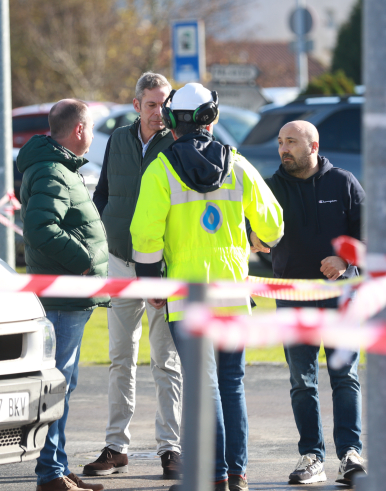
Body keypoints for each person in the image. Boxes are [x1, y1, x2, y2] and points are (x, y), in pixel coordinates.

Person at [130, 83, 285, 491]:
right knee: (231, 384)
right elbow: (274, 224)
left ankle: (214, 476)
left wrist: (151, 284)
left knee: (207, 385)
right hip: (233, 294)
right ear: (211, 119)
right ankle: (237, 474)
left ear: (172, 122)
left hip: (187, 299)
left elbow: (144, 236)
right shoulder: (238, 164)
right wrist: (256, 236)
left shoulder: (160, 169)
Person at [249, 120, 366, 487]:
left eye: (292, 142)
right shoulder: (270, 187)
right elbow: (255, 235)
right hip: (292, 297)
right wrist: (253, 236)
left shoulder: (343, 182)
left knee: (344, 376)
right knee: (302, 380)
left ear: (313, 146)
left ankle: (350, 455)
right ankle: (312, 457)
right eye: (281, 142)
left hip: (340, 296)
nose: (284, 149)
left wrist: (346, 261)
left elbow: (371, 235)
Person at [84, 73, 183, 479]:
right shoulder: (119, 140)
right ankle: (116, 446)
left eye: (165, 104)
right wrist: (104, 238)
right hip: (121, 264)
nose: (159, 113)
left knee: (166, 360)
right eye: (152, 105)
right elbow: (103, 193)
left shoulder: (178, 143)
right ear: (137, 104)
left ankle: (171, 449)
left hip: (162, 268)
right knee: (120, 357)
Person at [18, 99, 109, 491]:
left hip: (69, 296)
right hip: (62, 297)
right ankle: (50, 473)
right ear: (78, 130)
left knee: (63, 385)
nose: (91, 135)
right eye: (89, 128)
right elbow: (41, 228)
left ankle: (57, 466)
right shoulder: (53, 171)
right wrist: (85, 260)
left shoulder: (59, 167)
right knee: (58, 385)